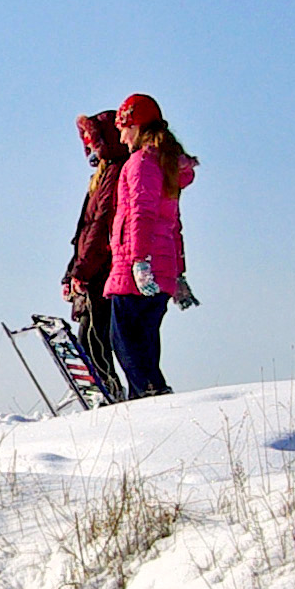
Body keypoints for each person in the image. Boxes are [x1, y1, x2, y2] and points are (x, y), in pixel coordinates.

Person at [102, 93, 197, 399]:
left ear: (137, 126)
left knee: (124, 341)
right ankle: (142, 407)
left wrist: (139, 262)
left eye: (123, 127)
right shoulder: (165, 163)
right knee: (144, 342)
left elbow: (142, 213)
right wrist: (178, 273)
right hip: (162, 267)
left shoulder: (142, 162)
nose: (120, 135)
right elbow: (174, 223)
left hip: (136, 269)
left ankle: (152, 398)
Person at [61, 108, 130, 401]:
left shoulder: (114, 174)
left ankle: (109, 394)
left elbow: (101, 227)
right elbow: (84, 230)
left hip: (103, 270)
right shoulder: (100, 177)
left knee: (94, 338)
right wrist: (71, 272)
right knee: (90, 337)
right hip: (93, 269)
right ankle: (105, 393)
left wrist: (82, 271)